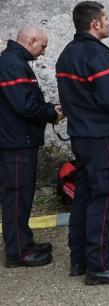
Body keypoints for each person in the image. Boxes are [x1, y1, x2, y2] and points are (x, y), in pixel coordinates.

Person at [55, 1, 109, 285]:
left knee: (84, 196)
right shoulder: (97, 54)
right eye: (106, 19)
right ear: (95, 24)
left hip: (81, 136)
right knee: (105, 200)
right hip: (102, 137)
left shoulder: (67, 54)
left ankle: (79, 259)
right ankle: (101, 265)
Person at [0, 26, 62, 268]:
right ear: (31, 40)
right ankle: (18, 253)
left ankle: (24, 242)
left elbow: (26, 100)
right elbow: (25, 105)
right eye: (42, 46)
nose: (43, 52)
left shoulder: (15, 62)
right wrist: (51, 114)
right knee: (16, 197)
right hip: (16, 143)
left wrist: (49, 109)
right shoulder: (12, 64)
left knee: (22, 196)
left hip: (20, 140)